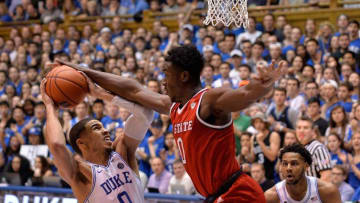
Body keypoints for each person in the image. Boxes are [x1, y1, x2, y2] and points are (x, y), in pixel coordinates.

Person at [58, 44, 288, 202]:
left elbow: (246, 94)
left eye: (166, 74)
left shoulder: (208, 101)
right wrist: (84, 72)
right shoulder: (174, 106)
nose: (162, 80)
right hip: (216, 196)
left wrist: (265, 84)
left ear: (184, 76)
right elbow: (133, 89)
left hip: (238, 194)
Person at [40, 74, 154, 202]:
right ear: (81, 143)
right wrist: (50, 107)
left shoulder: (122, 152)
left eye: (103, 127)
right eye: (96, 128)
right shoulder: (81, 173)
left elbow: (146, 113)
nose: (105, 131)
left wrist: (101, 94)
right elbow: (56, 145)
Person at [264, 144, 341, 203]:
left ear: (306, 166)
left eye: (294, 163)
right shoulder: (271, 196)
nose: (288, 168)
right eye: (285, 164)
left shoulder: (327, 191)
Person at [295, 116, 333, 182]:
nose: (301, 130)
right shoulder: (298, 148)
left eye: (305, 128)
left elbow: (326, 176)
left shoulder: (318, 148)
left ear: (313, 131)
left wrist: (313, 192)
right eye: (299, 128)